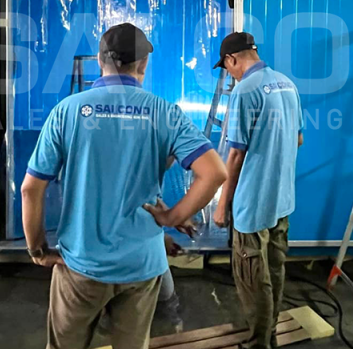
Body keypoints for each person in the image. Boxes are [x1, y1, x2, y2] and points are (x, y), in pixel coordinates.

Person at [21, 23, 227, 349]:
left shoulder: (68, 111)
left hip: (81, 266)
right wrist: (172, 217)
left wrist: (38, 250)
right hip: (141, 268)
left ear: (100, 60)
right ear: (143, 64)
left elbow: (31, 189)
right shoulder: (164, 112)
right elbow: (215, 173)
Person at [211, 32, 303, 349]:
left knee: (253, 280)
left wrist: (222, 206)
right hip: (281, 199)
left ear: (232, 60)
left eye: (226, 68)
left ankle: (258, 343)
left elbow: (235, 155)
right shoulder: (286, 84)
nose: (229, 74)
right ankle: (270, 333)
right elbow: (298, 139)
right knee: (274, 271)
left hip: (253, 204)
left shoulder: (244, 91)